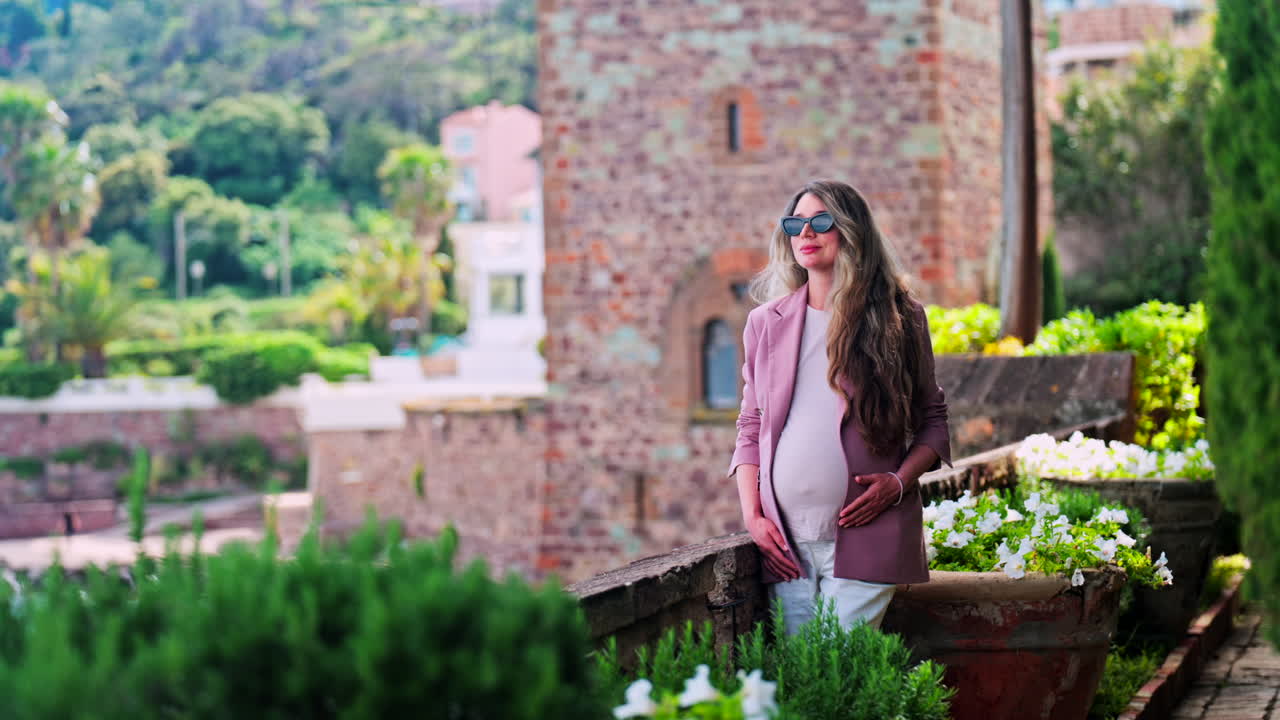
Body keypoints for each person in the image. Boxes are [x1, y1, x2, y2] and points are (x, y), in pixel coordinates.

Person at [727, 179, 952, 635]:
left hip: (871, 534)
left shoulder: (900, 317)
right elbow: (750, 426)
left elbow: (932, 421)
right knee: (803, 680)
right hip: (786, 543)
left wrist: (897, 482)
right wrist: (753, 517)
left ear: (851, 231)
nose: (806, 233)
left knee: (837, 665)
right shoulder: (763, 324)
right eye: (796, 224)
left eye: (821, 221)